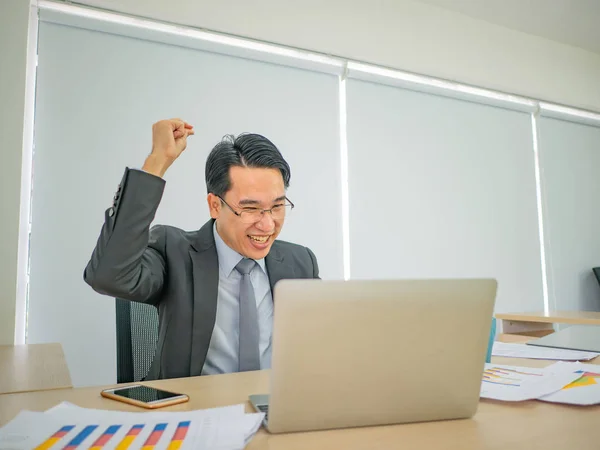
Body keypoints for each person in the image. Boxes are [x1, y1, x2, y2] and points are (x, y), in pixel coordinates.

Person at [84, 118, 320, 380]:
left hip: (274, 412)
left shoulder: (301, 262)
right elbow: (108, 275)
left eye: (277, 206)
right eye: (251, 209)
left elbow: (324, 346)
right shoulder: (174, 252)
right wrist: (157, 161)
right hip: (193, 410)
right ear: (215, 205)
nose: (267, 224)